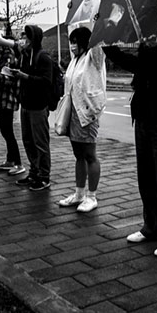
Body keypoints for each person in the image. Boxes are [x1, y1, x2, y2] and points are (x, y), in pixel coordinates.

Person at [102, 0, 157, 257]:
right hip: (143, 118)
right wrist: (105, 34)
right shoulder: (146, 46)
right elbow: (126, 60)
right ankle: (152, 226)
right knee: (148, 178)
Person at [0, 25, 54, 191]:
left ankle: (44, 176)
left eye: (26, 37)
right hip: (26, 105)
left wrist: (25, 76)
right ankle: (34, 173)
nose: (23, 40)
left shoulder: (43, 57)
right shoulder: (25, 56)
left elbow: (46, 81)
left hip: (38, 106)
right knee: (28, 141)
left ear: (33, 39)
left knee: (40, 143)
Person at [56, 26, 107, 213]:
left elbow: (98, 46)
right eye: (71, 42)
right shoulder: (75, 60)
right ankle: (79, 194)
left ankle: (91, 196)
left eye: (76, 42)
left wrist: (97, 23)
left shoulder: (94, 57)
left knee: (90, 154)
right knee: (79, 155)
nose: (72, 46)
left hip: (87, 113)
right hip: (74, 113)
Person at [0, 35, 26, 176]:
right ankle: (10, 160)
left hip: (8, 99)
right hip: (3, 99)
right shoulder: (4, 57)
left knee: (8, 132)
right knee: (5, 131)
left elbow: (9, 80)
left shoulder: (10, 57)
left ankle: (18, 163)